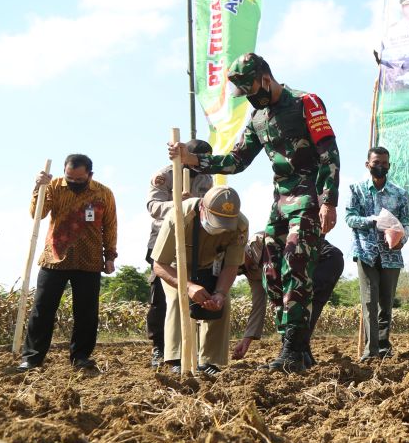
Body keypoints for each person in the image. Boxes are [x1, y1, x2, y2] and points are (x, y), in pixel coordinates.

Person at [169, 52, 341, 373]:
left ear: (265, 79)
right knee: (271, 271)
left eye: (251, 90)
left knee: (296, 267)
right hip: (280, 202)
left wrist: (329, 201)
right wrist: (193, 161)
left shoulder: (306, 103)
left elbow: (329, 151)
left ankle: (291, 351)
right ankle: (296, 348)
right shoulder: (259, 119)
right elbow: (237, 160)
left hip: (308, 199)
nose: (249, 98)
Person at [19, 154, 117, 372]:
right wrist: (38, 187)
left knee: (86, 312)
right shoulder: (53, 186)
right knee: (42, 309)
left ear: (89, 175)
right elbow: (37, 213)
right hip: (54, 257)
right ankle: (32, 358)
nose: (73, 184)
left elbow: (110, 226)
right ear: (65, 173)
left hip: (89, 260)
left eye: (79, 180)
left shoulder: (103, 194)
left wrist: (110, 255)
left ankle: (80, 356)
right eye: (69, 179)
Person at [151, 186, 248, 376]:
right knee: (180, 300)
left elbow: (232, 264)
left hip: (211, 266)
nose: (219, 228)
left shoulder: (240, 225)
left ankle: (209, 362)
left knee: (223, 303)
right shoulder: (179, 216)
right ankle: (177, 360)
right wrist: (188, 286)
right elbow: (159, 265)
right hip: (176, 267)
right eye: (216, 221)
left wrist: (220, 293)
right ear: (203, 208)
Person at [145, 140, 213, 368]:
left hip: (194, 241)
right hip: (164, 238)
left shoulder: (206, 177)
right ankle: (159, 349)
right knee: (162, 298)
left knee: (193, 291)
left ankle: (191, 349)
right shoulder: (164, 176)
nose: (198, 166)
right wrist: (178, 205)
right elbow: (153, 207)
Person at [232, 233, 344, 364]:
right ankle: (302, 358)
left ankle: (294, 357)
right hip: (313, 267)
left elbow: (286, 282)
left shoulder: (260, 242)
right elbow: (258, 305)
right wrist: (247, 339)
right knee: (302, 316)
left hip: (324, 259)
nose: (243, 268)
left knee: (301, 309)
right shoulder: (250, 270)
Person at [345, 146, 409, 360]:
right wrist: (372, 221)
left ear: (389, 166)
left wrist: (402, 237)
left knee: (386, 304)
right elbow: (349, 218)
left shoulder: (400, 194)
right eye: (376, 163)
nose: (380, 167)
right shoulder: (356, 189)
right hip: (365, 252)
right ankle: (370, 351)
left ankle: (383, 347)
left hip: (391, 255)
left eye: (384, 163)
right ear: (368, 164)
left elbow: (407, 223)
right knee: (369, 302)